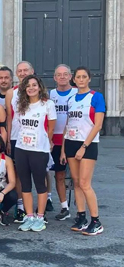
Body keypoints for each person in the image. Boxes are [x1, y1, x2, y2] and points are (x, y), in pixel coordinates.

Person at [61, 66, 105, 236]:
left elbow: (98, 125)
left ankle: (96, 221)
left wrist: (84, 147)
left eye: (84, 76)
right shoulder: (71, 99)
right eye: (78, 77)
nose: (80, 79)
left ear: (89, 79)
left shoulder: (96, 97)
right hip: (71, 143)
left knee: (85, 183)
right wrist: (64, 150)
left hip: (87, 144)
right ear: (74, 79)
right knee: (76, 182)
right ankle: (81, 217)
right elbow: (68, 124)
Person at [14, 75, 56, 232]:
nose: (31, 88)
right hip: (21, 148)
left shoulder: (47, 104)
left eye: (34, 85)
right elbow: (20, 125)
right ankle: (29, 215)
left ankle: (40, 216)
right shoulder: (21, 105)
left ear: (40, 87)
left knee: (40, 184)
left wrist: (47, 142)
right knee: (25, 184)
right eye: (28, 85)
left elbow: (51, 127)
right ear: (24, 89)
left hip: (39, 150)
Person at [5, 61, 35, 223]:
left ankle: (37, 208)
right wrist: (9, 139)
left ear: (32, 71)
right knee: (18, 174)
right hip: (17, 137)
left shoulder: (40, 92)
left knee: (36, 173)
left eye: (25, 70)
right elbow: (10, 118)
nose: (23, 73)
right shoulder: (11, 93)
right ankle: (21, 207)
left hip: (35, 138)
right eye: (20, 71)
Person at [49, 64, 77, 220]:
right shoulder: (50, 94)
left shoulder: (76, 93)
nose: (62, 77)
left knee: (78, 177)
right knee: (58, 175)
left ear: (70, 76)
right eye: (58, 75)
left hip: (73, 139)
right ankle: (64, 207)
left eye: (65, 74)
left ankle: (81, 209)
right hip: (56, 140)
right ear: (54, 77)